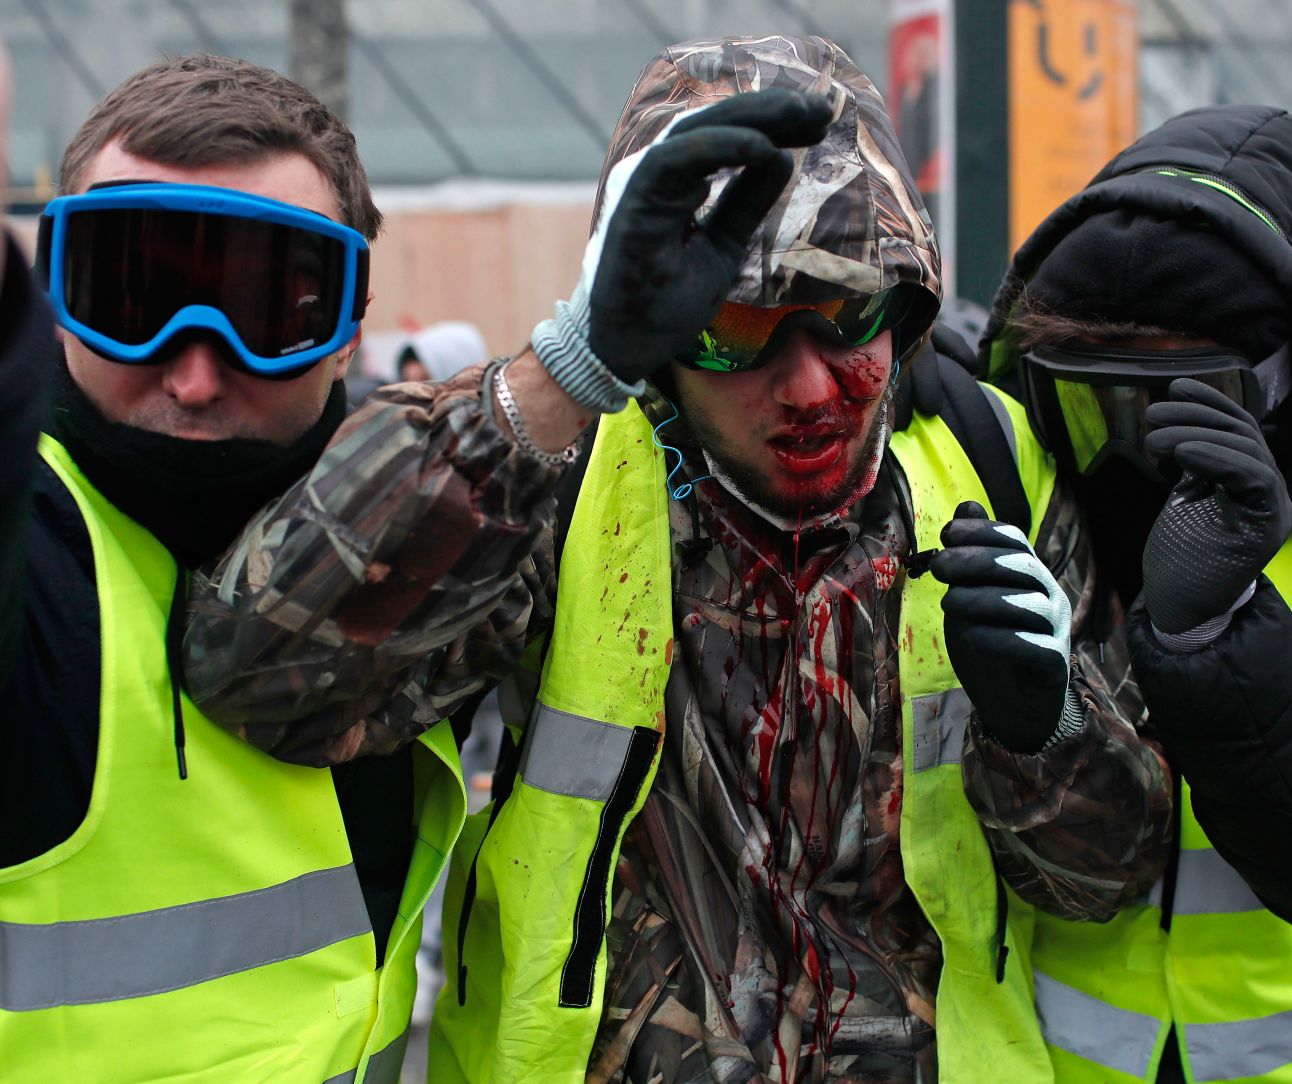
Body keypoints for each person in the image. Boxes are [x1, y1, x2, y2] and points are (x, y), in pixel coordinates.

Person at [182, 35, 1174, 1082]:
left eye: (846, 317)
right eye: (733, 331)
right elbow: (259, 678)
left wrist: (1049, 734)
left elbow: (1103, 885)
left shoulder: (990, 472)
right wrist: (561, 376)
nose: (806, 388)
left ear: (908, 305)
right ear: (653, 333)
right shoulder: (547, 468)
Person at [976, 104, 1292, 1082]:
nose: (1123, 455)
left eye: (1171, 407)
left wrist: (1216, 633)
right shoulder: (1029, 464)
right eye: (1089, 401)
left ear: (1283, 385)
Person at [0, 55, 466, 1082]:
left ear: (349, 329)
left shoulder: (424, 543)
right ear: (54, 292)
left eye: (267, 310)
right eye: (134, 295)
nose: (197, 370)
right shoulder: (30, 563)